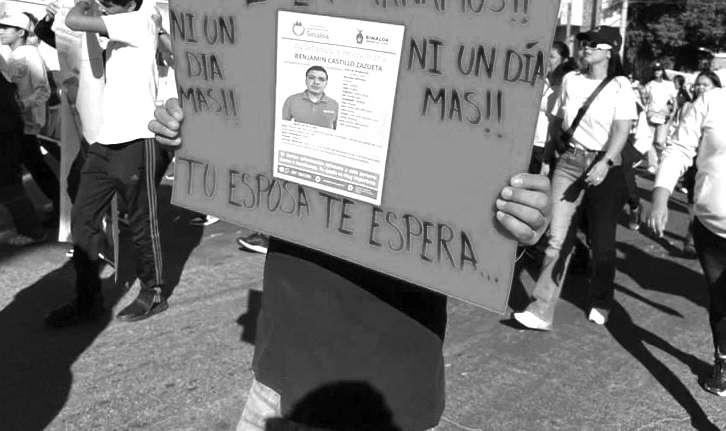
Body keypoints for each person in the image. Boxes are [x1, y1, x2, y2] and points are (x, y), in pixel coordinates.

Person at [150, 96, 551, 429]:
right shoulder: (293, 96)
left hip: (391, 395)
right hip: (281, 379)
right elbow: (242, 153)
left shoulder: (453, 105)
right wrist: (196, 137)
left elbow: (485, 224)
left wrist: (516, 227)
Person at [45, 0, 166, 327]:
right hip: (104, 142)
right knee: (82, 219)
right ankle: (87, 301)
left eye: (109, 4)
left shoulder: (139, 21)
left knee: (142, 221)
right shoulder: (119, 27)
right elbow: (65, 36)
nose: (105, 9)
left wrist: (81, 5)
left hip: (137, 140)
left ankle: (153, 291)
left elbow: (75, 20)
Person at [513, 26, 637, 330]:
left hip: (605, 166)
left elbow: (621, 130)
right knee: (556, 238)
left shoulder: (620, 86)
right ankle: (540, 310)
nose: (586, 48)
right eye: (584, 43)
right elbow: (556, 122)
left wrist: (605, 162)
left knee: (601, 241)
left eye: (593, 44)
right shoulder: (570, 80)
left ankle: (601, 299)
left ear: (609, 51)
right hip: (569, 162)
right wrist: (547, 159)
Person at [646, 85, 726, 396]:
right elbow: (680, 148)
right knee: (721, 301)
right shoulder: (713, 100)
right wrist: (660, 195)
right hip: (712, 230)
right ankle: (723, 360)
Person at [0, 11, 60, 224]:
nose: (1, 32)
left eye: (6, 28)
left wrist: (21, 105)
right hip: (17, 122)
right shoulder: (10, 56)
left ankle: (59, 208)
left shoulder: (30, 53)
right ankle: (59, 206)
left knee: (35, 166)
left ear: (20, 32)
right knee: (35, 165)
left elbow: (43, 90)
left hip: (28, 122)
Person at [675, 71, 721, 256]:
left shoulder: (719, 107)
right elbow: (679, 134)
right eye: (698, 84)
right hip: (693, 162)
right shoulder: (688, 106)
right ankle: (693, 233)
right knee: (694, 200)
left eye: (706, 85)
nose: (701, 88)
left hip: (712, 164)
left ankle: (695, 237)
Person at [531, 40, 576, 175]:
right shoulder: (538, 80)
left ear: (564, 60)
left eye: (551, 57)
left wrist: (548, 156)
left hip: (547, 148)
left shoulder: (566, 86)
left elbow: (559, 123)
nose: (547, 60)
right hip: (529, 144)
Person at [643, 62, 676, 173]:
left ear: (662, 71)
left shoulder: (669, 85)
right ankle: (653, 164)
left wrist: (673, 113)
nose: (657, 72)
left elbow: (674, 101)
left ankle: (664, 160)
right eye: (655, 70)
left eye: (659, 70)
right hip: (651, 115)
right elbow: (645, 100)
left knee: (660, 141)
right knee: (648, 141)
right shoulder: (649, 85)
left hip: (664, 116)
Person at [282, 65, 339, 129]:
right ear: (306, 80)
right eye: (311, 78)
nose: (316, 82)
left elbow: (338, 131)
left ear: (326, 83)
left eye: (321, 79)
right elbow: (283, 128)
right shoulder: (291, 100)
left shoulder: (335, 105)